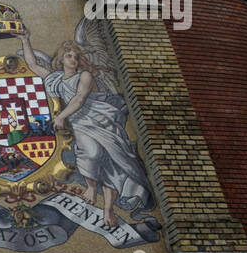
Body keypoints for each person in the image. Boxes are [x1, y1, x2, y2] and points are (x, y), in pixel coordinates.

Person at [17, 31, 154, 228]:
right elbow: (33, 65)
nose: (73, 59)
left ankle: (108, 209)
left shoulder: (85, 75)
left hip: (103, 120)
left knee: (114, 164)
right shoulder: (56, 79)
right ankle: (91, 186)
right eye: (68, 56)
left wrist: (61, 116)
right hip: (80, 122)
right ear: (61, 59)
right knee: (92, 152)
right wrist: (25, 40)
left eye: (76, 56)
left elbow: (79, 98)